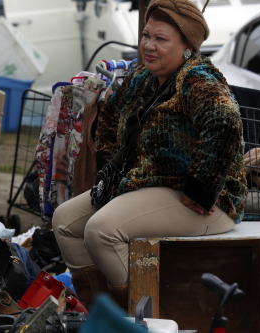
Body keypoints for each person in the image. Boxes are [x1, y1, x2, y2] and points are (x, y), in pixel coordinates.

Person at [52, 0, 248, 311]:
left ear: (187, 46)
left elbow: (224, 123)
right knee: (64, 220)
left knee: (101, 230)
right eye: (146, 35)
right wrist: (109, 168)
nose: (148, 46)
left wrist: (202, 188)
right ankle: (98, 314)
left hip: (203, 201)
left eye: (161, 39)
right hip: (147, 186)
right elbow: (109, 116)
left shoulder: (197, 78)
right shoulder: (142, 77)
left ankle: (140, 319)